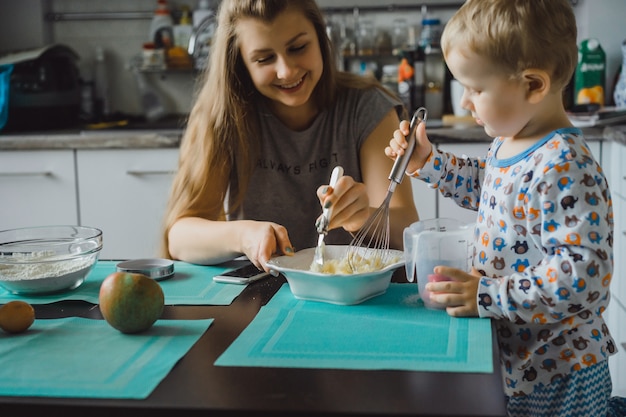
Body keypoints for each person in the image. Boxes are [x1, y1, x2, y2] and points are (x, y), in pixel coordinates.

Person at [385, 0, 626, 415]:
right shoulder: (513, 141)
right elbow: (492, 191)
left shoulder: (563, 165)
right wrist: (429, 163)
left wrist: (490, 294)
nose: (464, 102)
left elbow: (582, 274)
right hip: (521, 357)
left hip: (560, 372)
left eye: (475, 89)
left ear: (533, 85)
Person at [159, 0, 418, 272]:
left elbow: (407, 235)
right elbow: (179, 238)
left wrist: (362, 218)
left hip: (359, 299)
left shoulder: (368, 108)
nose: (286, 71)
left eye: (298, 48)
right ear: (241, 63)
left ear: (320, 39)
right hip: (260, 295)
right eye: (264, 59)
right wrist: (244, 235)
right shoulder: (222, 115)